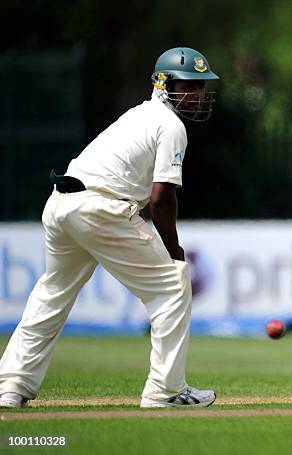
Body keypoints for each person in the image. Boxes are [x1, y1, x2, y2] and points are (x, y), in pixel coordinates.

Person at [0, 47, 219, 408]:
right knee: (173, 286)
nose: (196, 95)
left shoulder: (139, 115)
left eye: (200, 88)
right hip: (100, 209)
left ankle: (12, 386)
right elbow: (161, 196)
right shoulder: (171, 126)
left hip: (60, 203)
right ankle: (165, 390)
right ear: (164, 85)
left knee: (53, 293)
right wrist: (174, 252)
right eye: (189, 86)